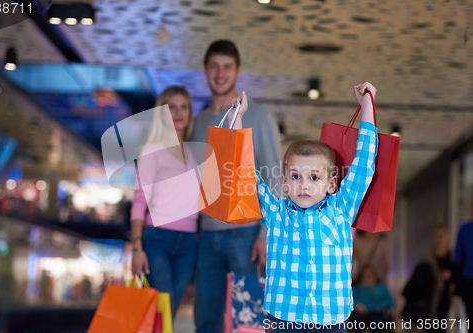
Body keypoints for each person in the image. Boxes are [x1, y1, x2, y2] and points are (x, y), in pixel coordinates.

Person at [231, 82, 378, 332]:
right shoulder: (276, 215)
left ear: (332, 184)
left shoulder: (341, 210)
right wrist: (237, 120)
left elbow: (364, 163)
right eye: (296, 176)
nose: (304, 185)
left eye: (313, 177)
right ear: (284, 183)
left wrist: (367, 105)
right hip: (283, 319)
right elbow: (245, 175)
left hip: (331, 320)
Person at [190, 40, 281, 333]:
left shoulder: (259, 117)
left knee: (250, 319)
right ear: (205, 70)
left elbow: (273, 176)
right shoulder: (198, 121)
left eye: (227, 66)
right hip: (206, 235)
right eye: (214, 66)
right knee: (205, 318)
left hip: (246, 233)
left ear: (238, 71)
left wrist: (266, 234)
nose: (220, 73)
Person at [130, 86, 198, 320]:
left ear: (190, 113)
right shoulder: (153, 150)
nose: (178, 113)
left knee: (170, 309)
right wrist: (137, 248)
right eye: (171, 107)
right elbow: (139, 202)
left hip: (189, 243)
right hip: (157, 239)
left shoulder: (195, 153)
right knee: (164, 306)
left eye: (184, 107)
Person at [351, 265, 395, 333]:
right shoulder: (358, 288)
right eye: (365, 276)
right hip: (361, 312)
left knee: (376, 321)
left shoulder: (382, 287)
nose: (368, 278)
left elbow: (390, 301)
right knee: (357, 319)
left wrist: (380, 306)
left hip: (376, 312)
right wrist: (357, 305)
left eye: (371, 275)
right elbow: (350, 299)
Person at [454, 220, 473, 333]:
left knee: (470, 316)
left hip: (468, 281)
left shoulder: (464, 229)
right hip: (468, 280)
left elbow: (458, 257)